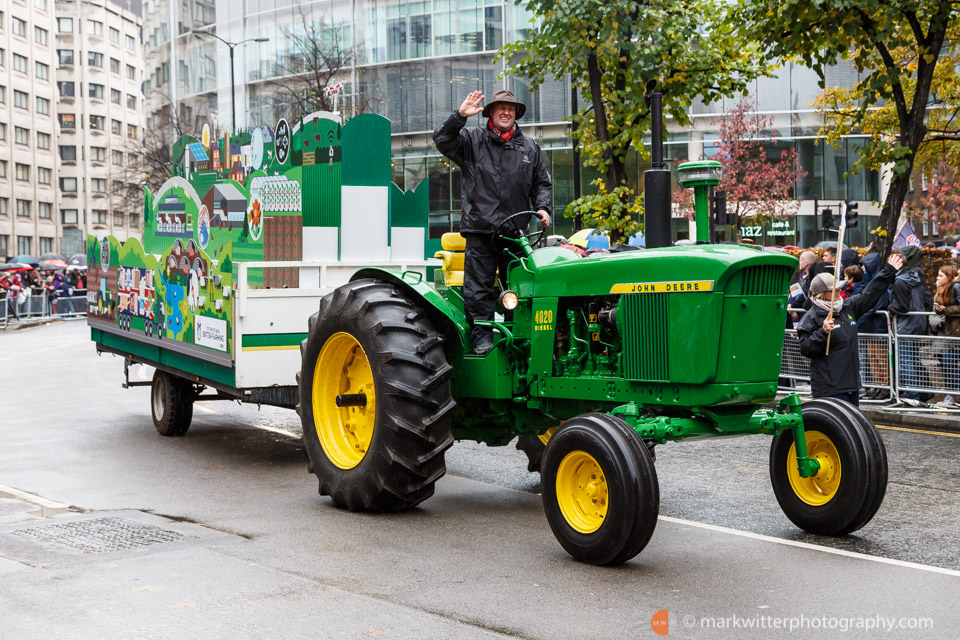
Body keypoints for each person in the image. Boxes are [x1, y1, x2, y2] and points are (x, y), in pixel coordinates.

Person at [433, 89, 553, 354]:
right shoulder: (471, 140)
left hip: (517, 233)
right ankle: (482, 339)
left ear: (516, 114)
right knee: (479, 289)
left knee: (521, 288)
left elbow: (541, 183)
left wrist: (543, 207)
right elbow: (442, 139)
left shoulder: (530, 147)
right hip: (481, 230)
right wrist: (459, 116)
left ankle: (518, 339)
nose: (506, 112)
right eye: (500, 108)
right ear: (490, 112)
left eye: (510, 109)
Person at [797, 253, 905, 406]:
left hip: (852, 386)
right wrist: (822, 332)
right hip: (830, 389)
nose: (839, 291)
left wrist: (889, 271)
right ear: (823, 295)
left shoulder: (846, 307)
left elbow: (870, 293)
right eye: (834, 290)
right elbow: (805, 348)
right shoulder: (811, 317)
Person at [888, 245, 933, 405]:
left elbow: (902, 306)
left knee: (905, 360)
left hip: (906, 325)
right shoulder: (916, 277)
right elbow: (927, 300)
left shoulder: (900, 281)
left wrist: (890, 309)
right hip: (918, 323)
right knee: (914, 359)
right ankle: (925, 392)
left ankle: (912, 396)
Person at [858, 253, 893, 400]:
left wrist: (857, 319)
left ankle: (886, 386)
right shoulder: (871, 282)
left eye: (864, 266)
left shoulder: (880, 284)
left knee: (881, 359)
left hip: (878, 328)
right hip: (870, 329)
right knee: (874, 359)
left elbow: (873, 306)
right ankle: (880, 386)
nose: (862, 269)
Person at [933, 265, 960, 408]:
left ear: (948, 277)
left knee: (949, 363)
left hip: (956, 334)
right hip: (951, 334)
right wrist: (939, 309)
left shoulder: (956, 287)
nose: (937, 278)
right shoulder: (942, 290)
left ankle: (952, 394)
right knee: (948, 364)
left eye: (940, 275)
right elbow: (936, 309)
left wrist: (946, 310)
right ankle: (951, 394)